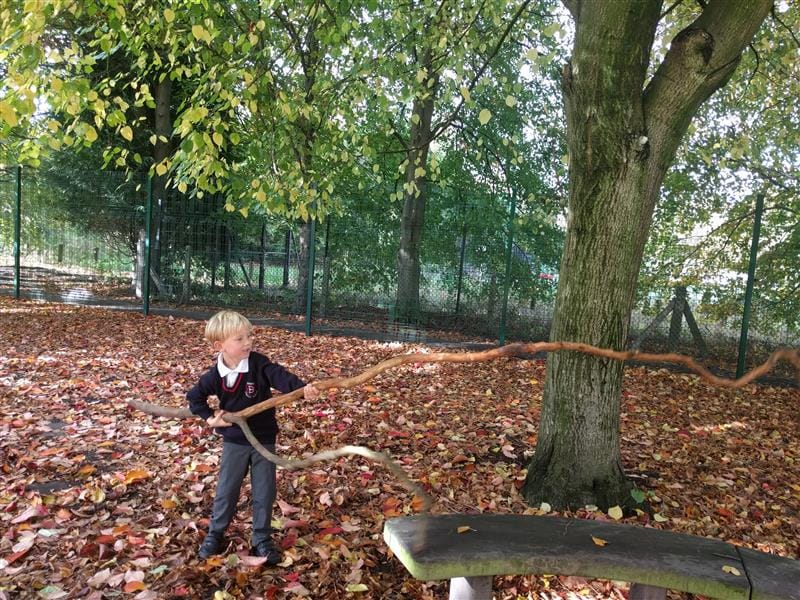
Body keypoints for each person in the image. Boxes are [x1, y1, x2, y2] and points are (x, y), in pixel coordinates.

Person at [187, 310, 319, 563]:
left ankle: (261, 538)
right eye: (239, 339)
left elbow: (280, 376)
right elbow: (195, 398)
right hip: (235, 440)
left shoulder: (258, 364)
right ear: (220, 345)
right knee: (227, 489)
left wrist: (303, 389)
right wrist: (210, 417)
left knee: (264, 490)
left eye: (249, 336)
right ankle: (216, 533)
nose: (248, 342)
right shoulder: (215, 375)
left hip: (263, 439)